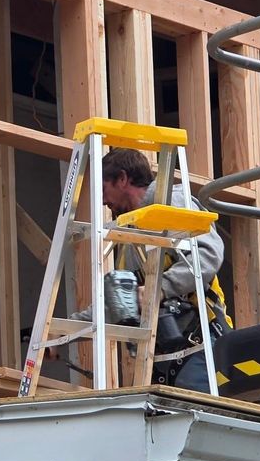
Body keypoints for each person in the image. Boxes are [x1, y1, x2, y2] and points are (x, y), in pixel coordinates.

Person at [96, 147, 231, 391]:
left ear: (123, 179)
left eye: (104, 189)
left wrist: (159, 289)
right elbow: (120, 302)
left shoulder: (171, 201)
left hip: (202, 347)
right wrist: (64, 333)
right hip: (161, 361)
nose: (104, 201)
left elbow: (208, 254)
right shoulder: (130, 238)